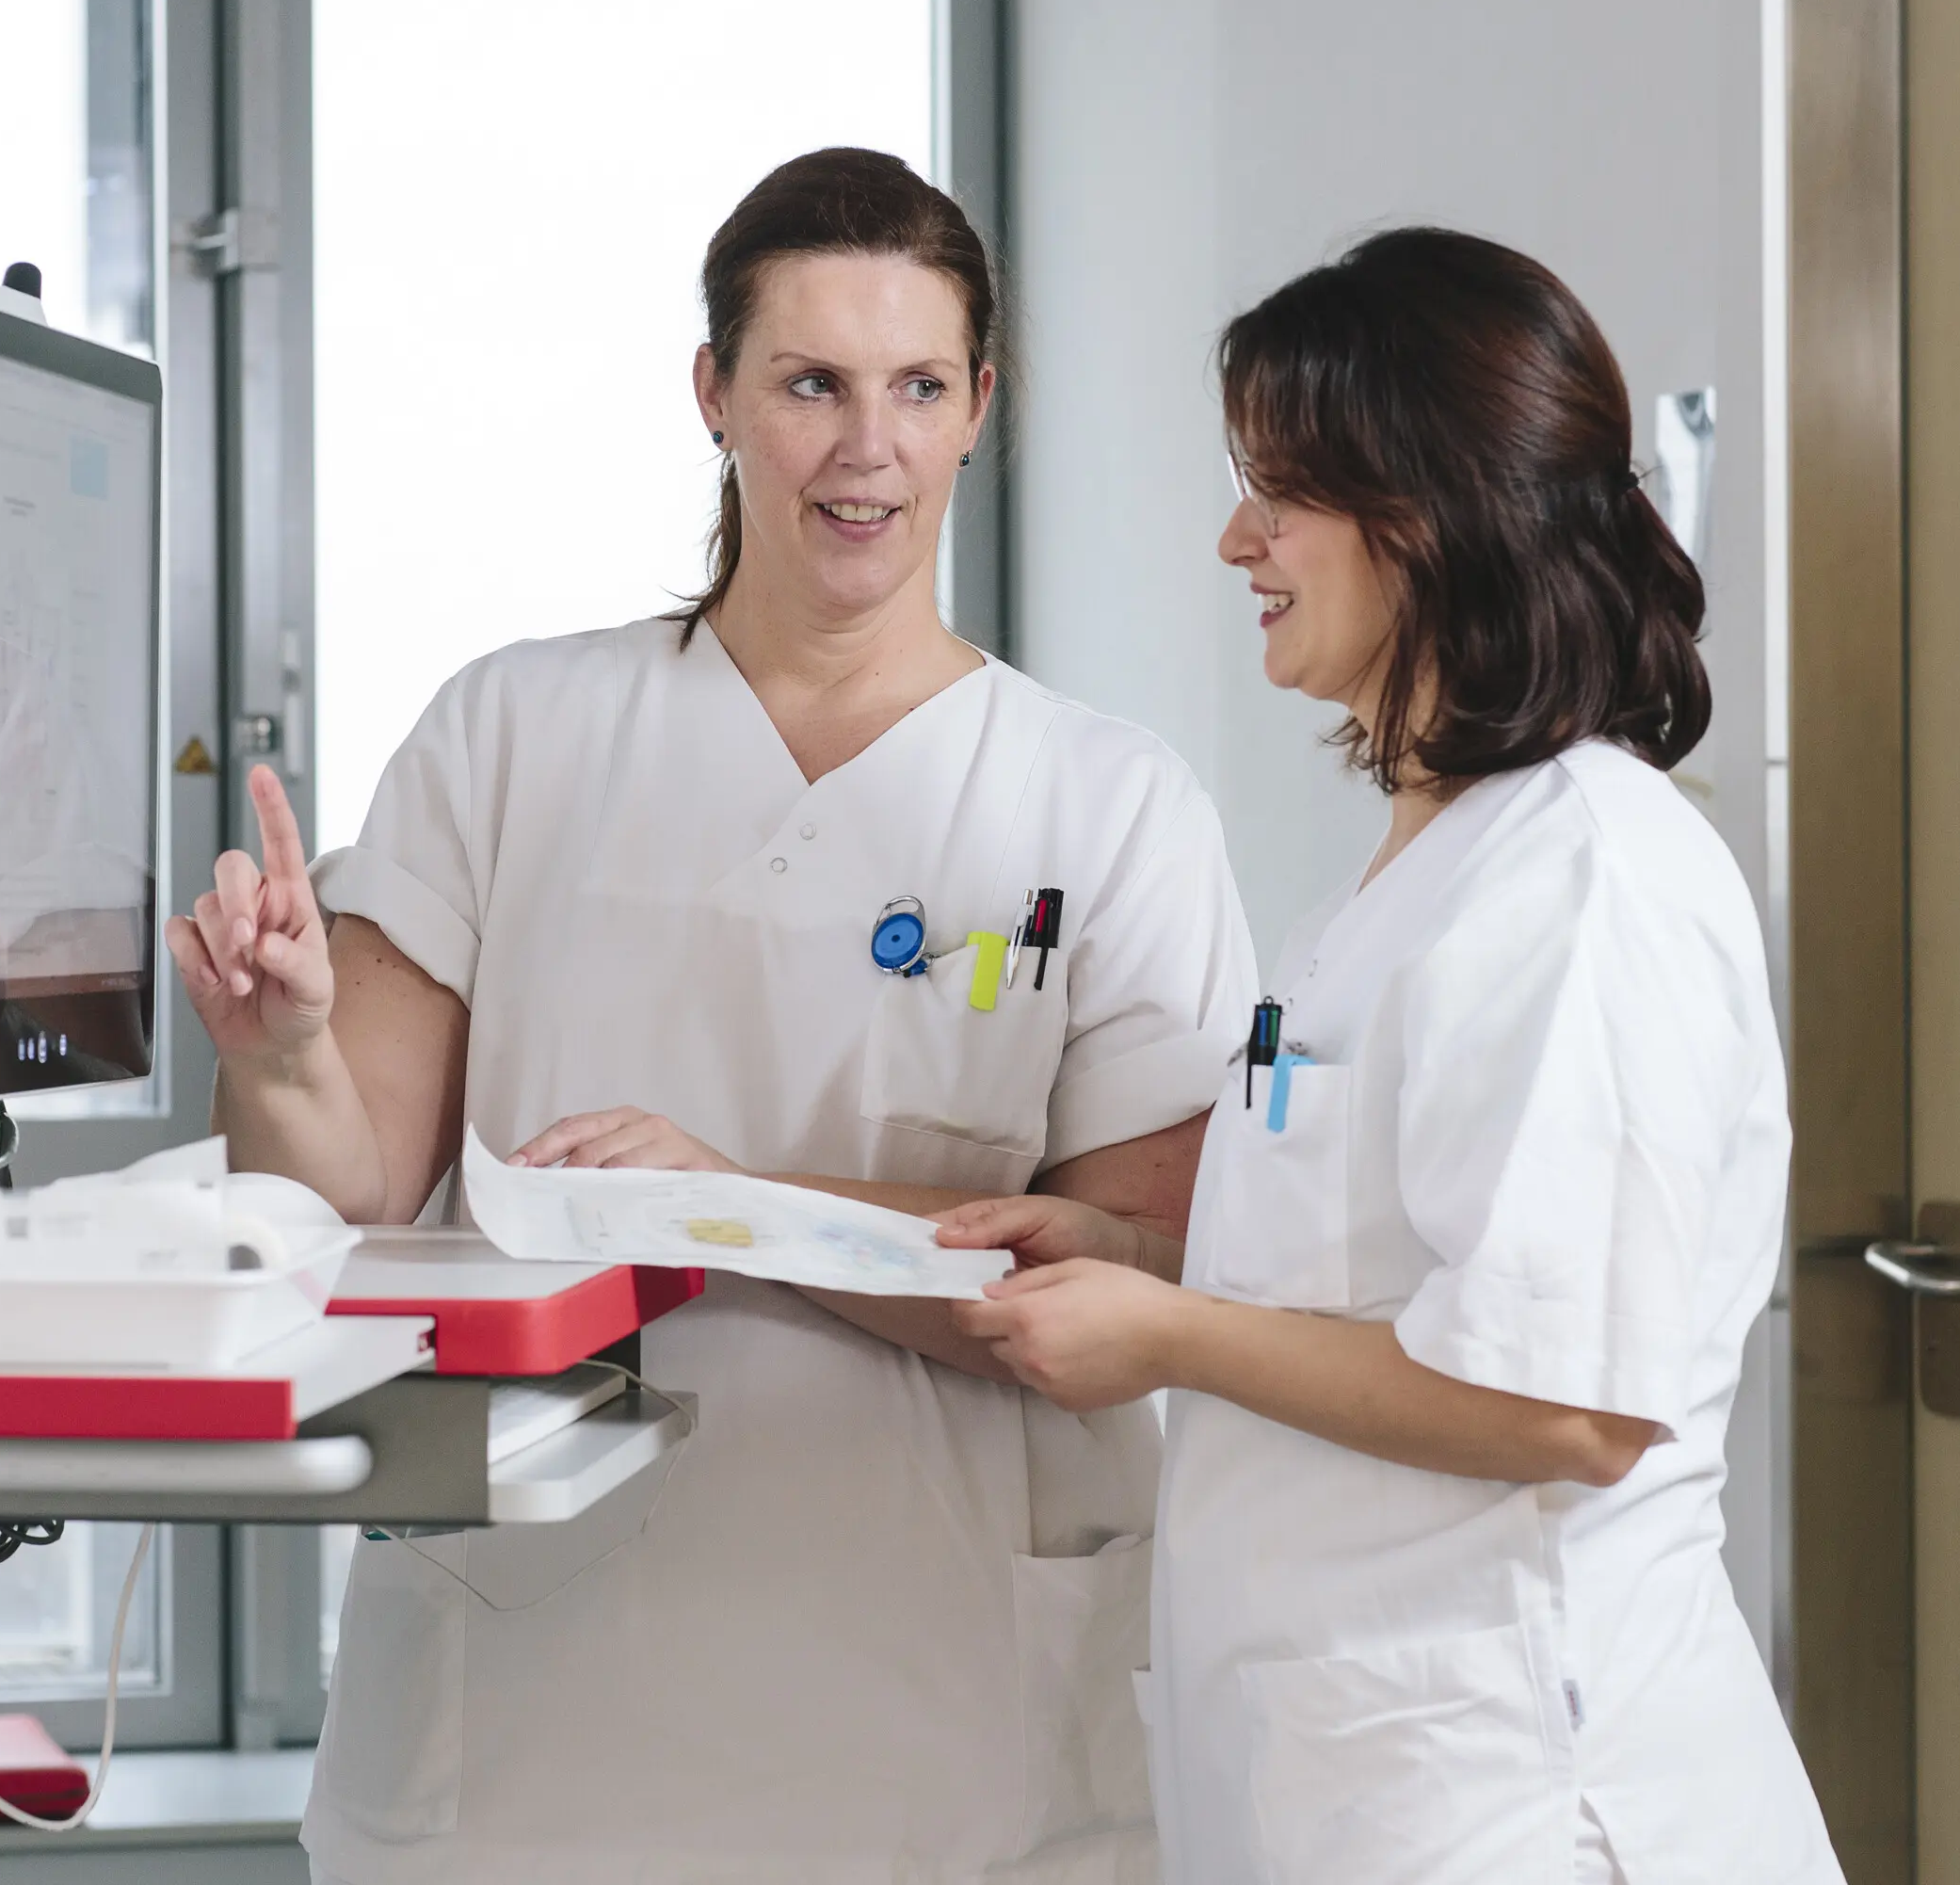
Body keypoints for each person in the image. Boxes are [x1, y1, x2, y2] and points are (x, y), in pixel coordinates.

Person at [166, 148, 1257, 1882]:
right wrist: (282, 1047)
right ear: (714, 396)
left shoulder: (1109, 805)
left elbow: (1134, 1270)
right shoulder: (514, 732)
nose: (863, 447)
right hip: (534, 1699)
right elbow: (350, 1190)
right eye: (808, 383)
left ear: (980, 408)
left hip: (946, 1704)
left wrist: (723, 1205)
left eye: (913, 387)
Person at [942, 229, 1844, 1884]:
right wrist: (1140, 1252)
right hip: (1368, 1780)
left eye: (1273, 493)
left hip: (1522, 1793)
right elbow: (1396, 1271)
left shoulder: (1585, 872)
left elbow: (1565, 1402)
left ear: (1421, 518)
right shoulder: (1427, 863)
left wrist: (1170, 1333)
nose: (1235, 541)